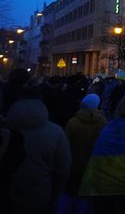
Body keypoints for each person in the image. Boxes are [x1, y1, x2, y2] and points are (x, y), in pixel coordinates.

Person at [7, 84, 72, 214]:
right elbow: (63, 169)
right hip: (40, 191)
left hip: (6, 191)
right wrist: (55, 196)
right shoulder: (55, 131)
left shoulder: (6, 129)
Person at [62, 93, 107, 211]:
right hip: (94, 162)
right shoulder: (102, 121)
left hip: (75, 162)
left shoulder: (73, 122)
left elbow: (66, 144)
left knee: (73, 193)